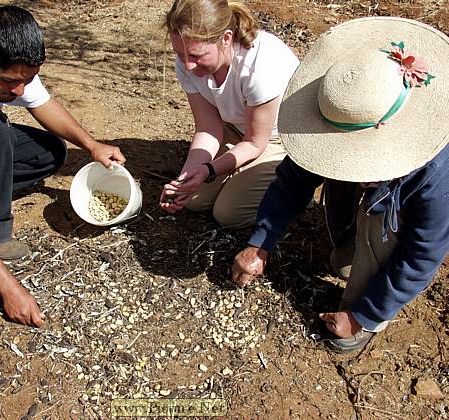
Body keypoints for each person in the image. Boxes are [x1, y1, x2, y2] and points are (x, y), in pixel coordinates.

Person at [231, 17, 449, 353]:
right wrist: (260, 242)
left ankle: (366, 317)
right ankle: (351, 240)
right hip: (375, 195)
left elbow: (422, 254)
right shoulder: (344, 101)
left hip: (403, 207)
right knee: (342, 262)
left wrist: (363, 314)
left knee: (379, 234)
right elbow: (292, 181)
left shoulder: (436, 171)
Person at [0, 6, 125, 327]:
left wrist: (92, 145)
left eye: (27, 79)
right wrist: (10, 289)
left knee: (48, 152)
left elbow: (42, 103)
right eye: (10, 82)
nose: (20, 91)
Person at [159, 0, 299, 228]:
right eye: (180, 53)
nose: (188, 65)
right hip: (236, 127)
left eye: (196, 55)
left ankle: (292, 189)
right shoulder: (188, 61)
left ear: (226, 38)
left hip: (280, 137)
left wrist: (208, 170)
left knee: (228, 213)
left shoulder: (259, 68)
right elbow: (208, 126)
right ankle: (243, 177)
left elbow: (254, 143)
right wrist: (185, 179)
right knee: (194, 200)